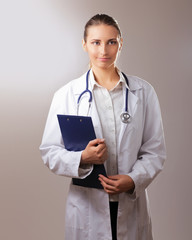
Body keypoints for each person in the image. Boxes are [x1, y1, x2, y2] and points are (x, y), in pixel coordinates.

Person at [40, 14, 166, 240]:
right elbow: (50, 152)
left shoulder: (143, 92)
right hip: (87, 209)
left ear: (120, 44)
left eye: (111, 42)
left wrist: (133, 179)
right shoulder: (67, 95)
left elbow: (155, 151)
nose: (104, 51)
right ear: (84, 45)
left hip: (130, 205)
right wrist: (82, 158)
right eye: (96, 42)